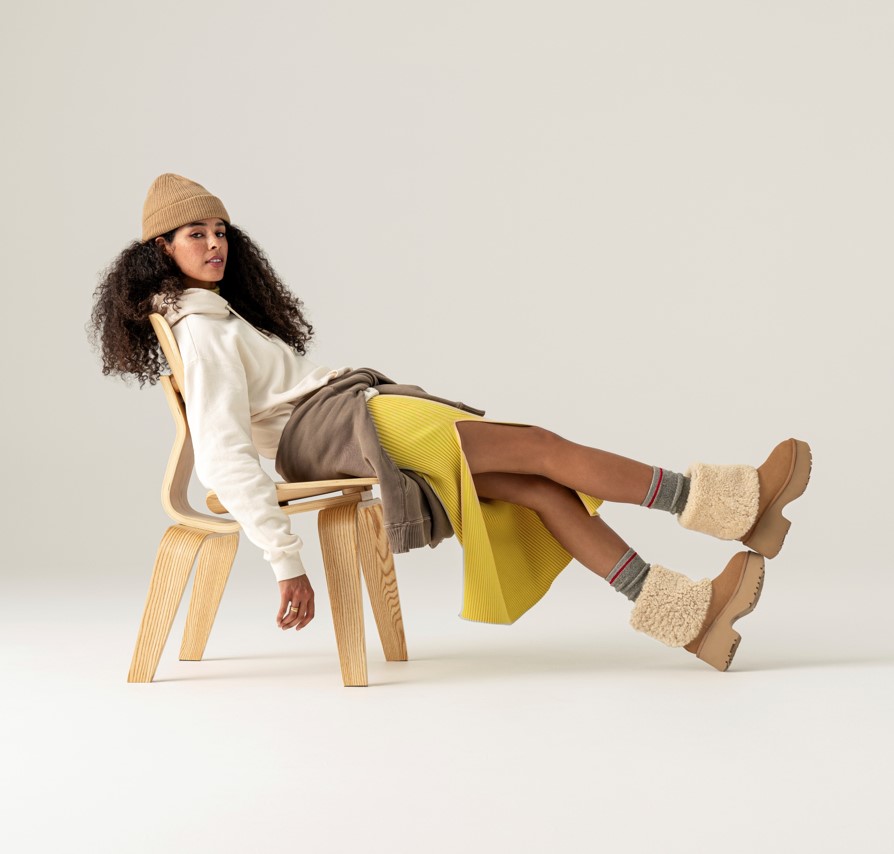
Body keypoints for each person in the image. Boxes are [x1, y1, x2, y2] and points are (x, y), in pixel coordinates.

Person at [89, 173, 812, 672]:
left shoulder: (208, 318)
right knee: (541, 450)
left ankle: (688, 617)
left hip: (342, 422)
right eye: (194, 234)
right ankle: (731, 504)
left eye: (219, 231)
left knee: (538, 488)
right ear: (161, 249)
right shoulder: (204, 330)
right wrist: (286, 562)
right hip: (350, 422)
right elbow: (220, 454)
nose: (214, 244)